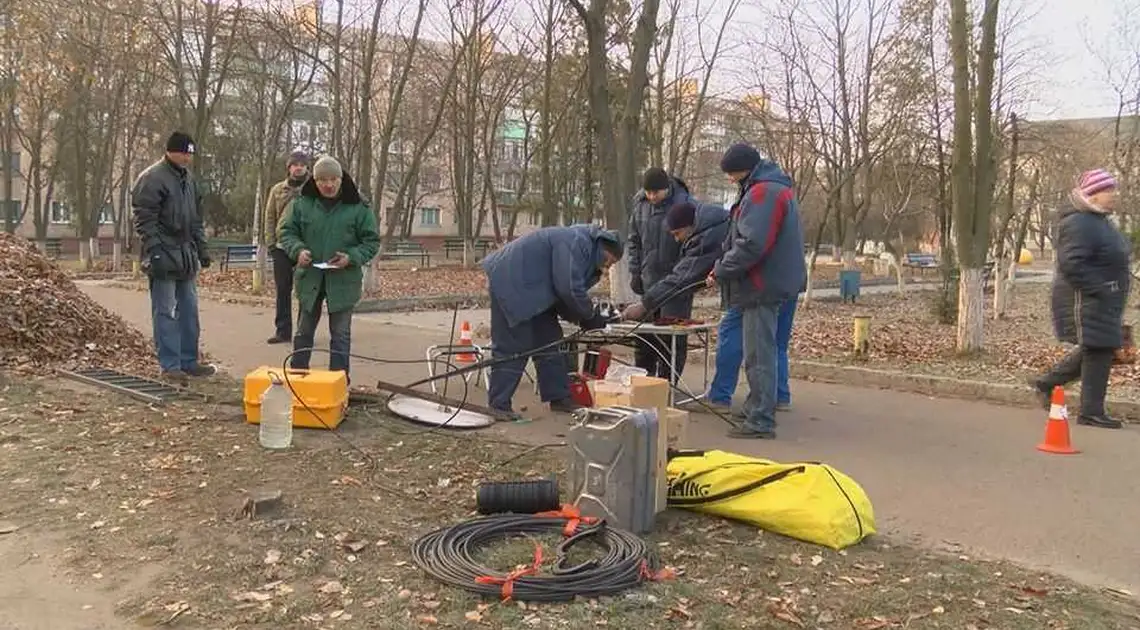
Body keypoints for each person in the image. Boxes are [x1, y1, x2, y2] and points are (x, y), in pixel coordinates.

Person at [709, 143, 805, 439]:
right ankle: (756, 407)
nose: (729, 180)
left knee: (759, 353)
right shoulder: (771, 187)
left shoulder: (763, 192)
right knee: (762, 350)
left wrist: (722, 268)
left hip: (761, 285)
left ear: (742, 168)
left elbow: (752, 243)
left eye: (731, 173)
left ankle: (761, 420)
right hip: (770, 282)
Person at [482, 224, 622, 419]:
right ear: (602, 248)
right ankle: (498, 404)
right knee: (513, 344)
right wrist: (590, 316)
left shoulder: (585, 250)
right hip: (511, 281)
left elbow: (563, 296)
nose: (607, 266)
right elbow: (568, 289)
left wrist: (583, 318)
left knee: (550, 341)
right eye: (608, 260)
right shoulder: (577, 243)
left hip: (535, 289)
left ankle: (559, 397)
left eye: (612, 264)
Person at [1030, 169, 1131, 429]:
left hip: (1101, 298)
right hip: (1084, 299)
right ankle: (1090, 411)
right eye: (1108, 190)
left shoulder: (1098, 220)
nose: (1113, 195)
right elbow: (1071, 264)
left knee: (1099, 347)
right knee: (1099, 349)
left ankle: (1047, 383)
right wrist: (1102, 288)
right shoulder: (1079, 222)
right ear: (1093, 194)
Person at [278, 156, 380, 377]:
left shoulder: (358, 207)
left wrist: (351, 257)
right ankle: (297, 378)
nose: (329, 185)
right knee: (304, 332)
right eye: (323, 180)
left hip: (343, 280)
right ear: (314, 180)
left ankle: (339, 382)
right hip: (310, 277)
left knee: (341, 335)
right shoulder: (301, 203)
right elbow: (286, 232)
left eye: (333, 179)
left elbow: (371, 242)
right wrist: (298, 250)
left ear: (341, 179)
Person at [132, 131, 216, 385]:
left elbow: (195, 220)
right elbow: (144, 219)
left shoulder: (189, 180)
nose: (187, 158)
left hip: (186, 253)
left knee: (189, 310)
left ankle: (189, 361)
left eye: (190, 154)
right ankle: (170, 365)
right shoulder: (152, 178)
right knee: (165, 311)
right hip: (163, 253)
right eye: (183, 153)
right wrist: (155, 250)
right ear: (171, 151)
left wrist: (202, 249)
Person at [623, 200, 729, 381]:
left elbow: (682, 278)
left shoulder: (706, 239)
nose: (676, 239)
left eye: (677, 233)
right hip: (657, 282)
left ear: (689, 226)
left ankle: (667, 387)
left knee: (731, 340)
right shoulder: (704, 226)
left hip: (751, 291)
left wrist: (645, 304)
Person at [627, 167, 693, 383]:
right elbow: (634, 240)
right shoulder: (640, 206)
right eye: (649, 192)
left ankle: (667, 384)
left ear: (667, 189)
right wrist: (635, 271)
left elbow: (689, 246)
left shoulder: (683, 205)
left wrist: (680, 277)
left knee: (671, 338)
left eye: (657, 192)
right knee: (644, 337)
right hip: (648, 279)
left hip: (675, 283)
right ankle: (644, 381)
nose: (652, 197)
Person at [264, 150, 310, 344]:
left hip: (306, 248)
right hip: (282, 247)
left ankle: (304, 332)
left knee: (305, 291)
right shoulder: (277, 190)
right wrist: (271, 244)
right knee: (283, 290)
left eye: (302, 164)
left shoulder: (313, 188)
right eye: (295, 164)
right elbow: (269, 217)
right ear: (289, 168)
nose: (298, 167)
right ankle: (282, 331)